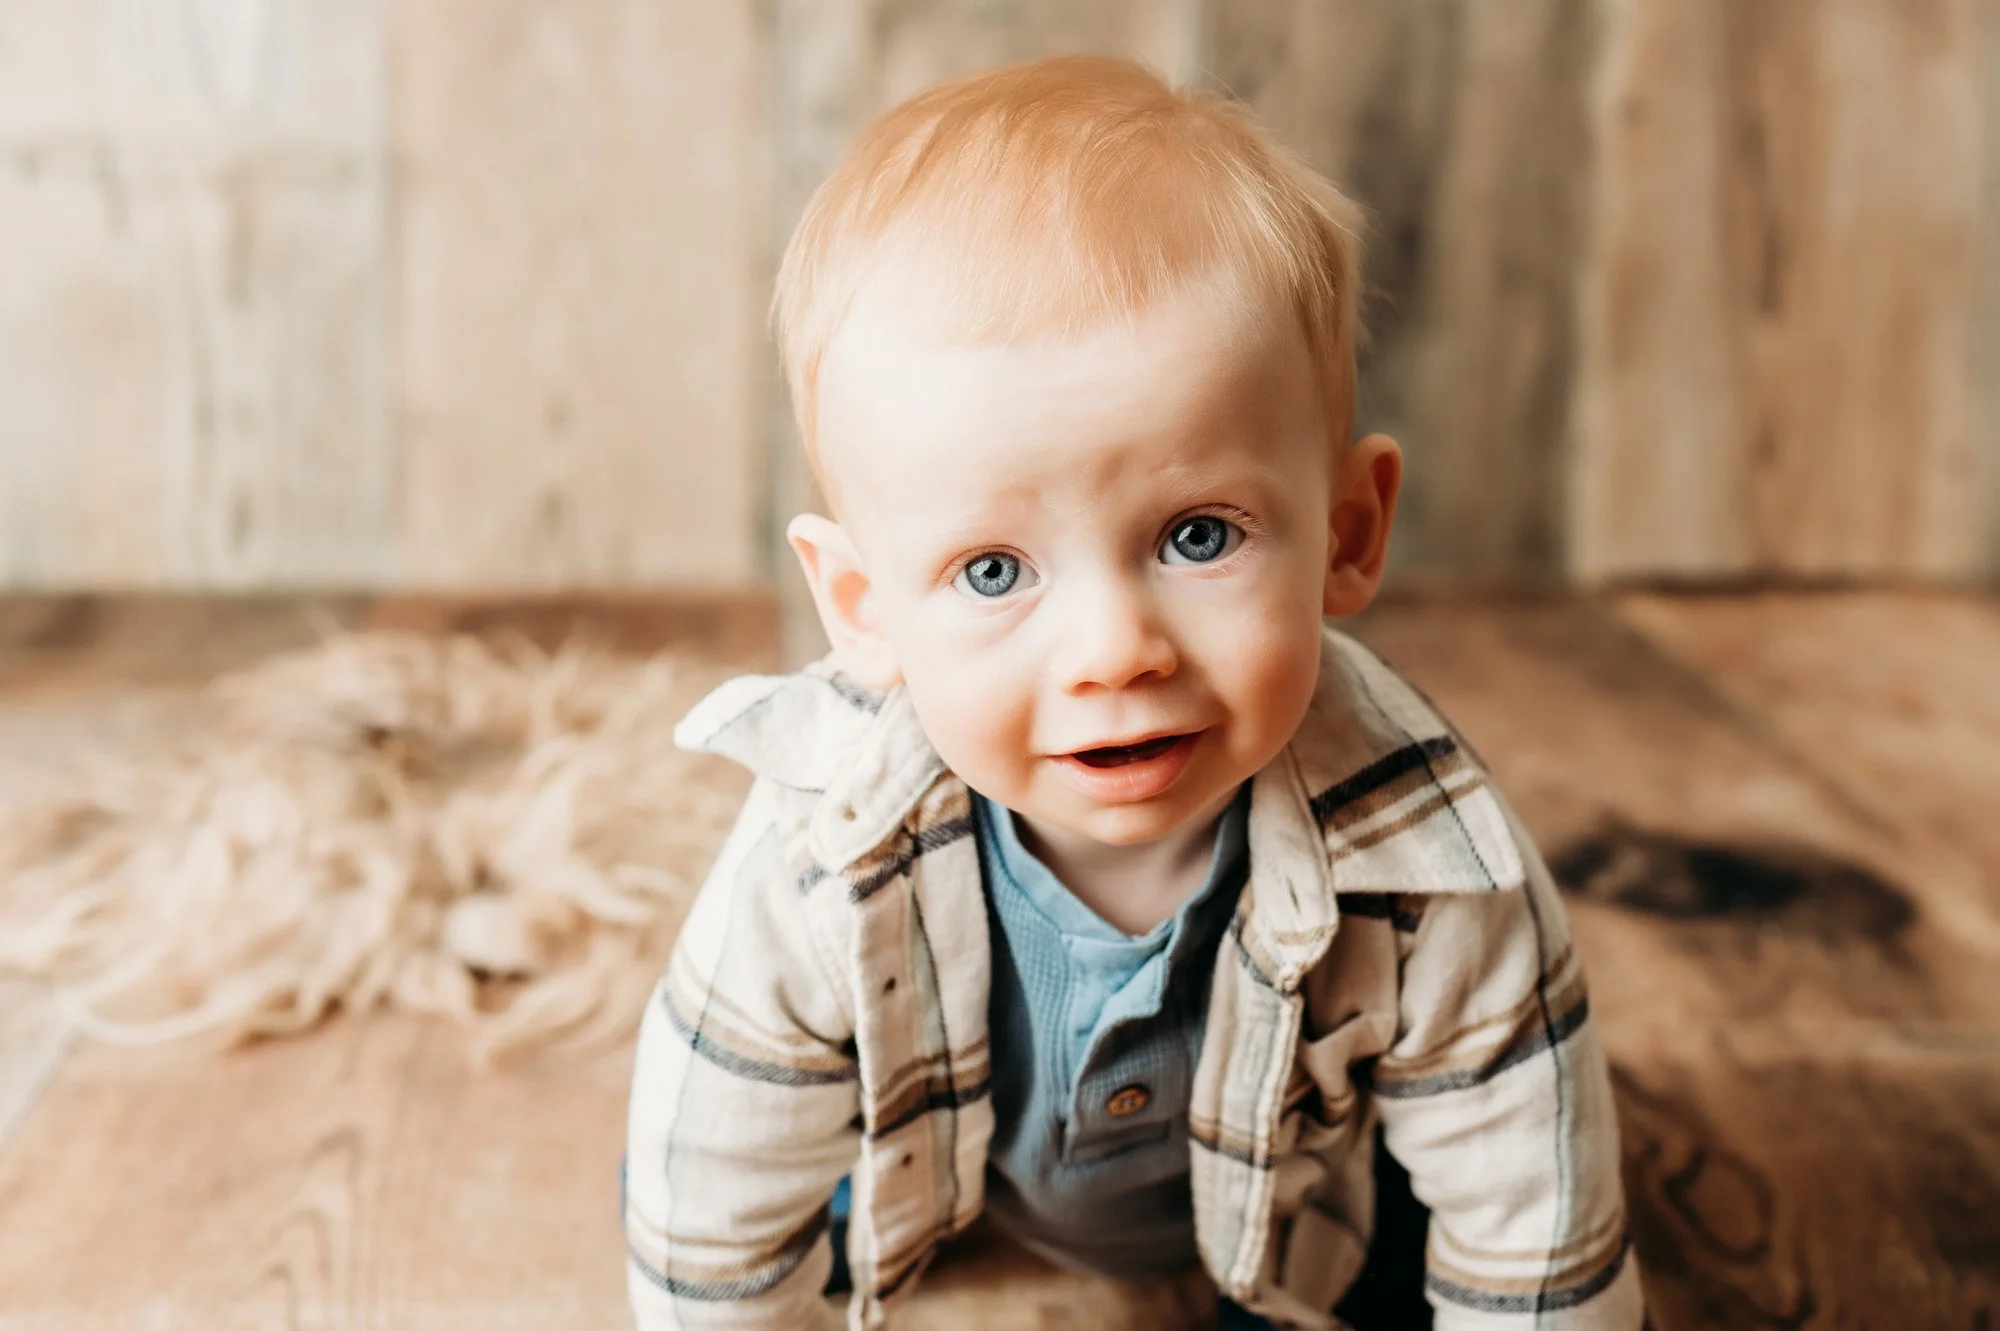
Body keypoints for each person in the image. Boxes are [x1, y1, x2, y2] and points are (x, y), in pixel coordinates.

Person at [623, 54, 1643, 1330]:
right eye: (992, 569)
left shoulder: (1428, 865)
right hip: (932, 1172)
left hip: (1306, 1216)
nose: (1114, 650)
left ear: (1345, 531)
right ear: (864, 609)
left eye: (1199, 536)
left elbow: (1532, 1222)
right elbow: (704, 1208)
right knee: (736, 1174)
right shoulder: (821, 856)